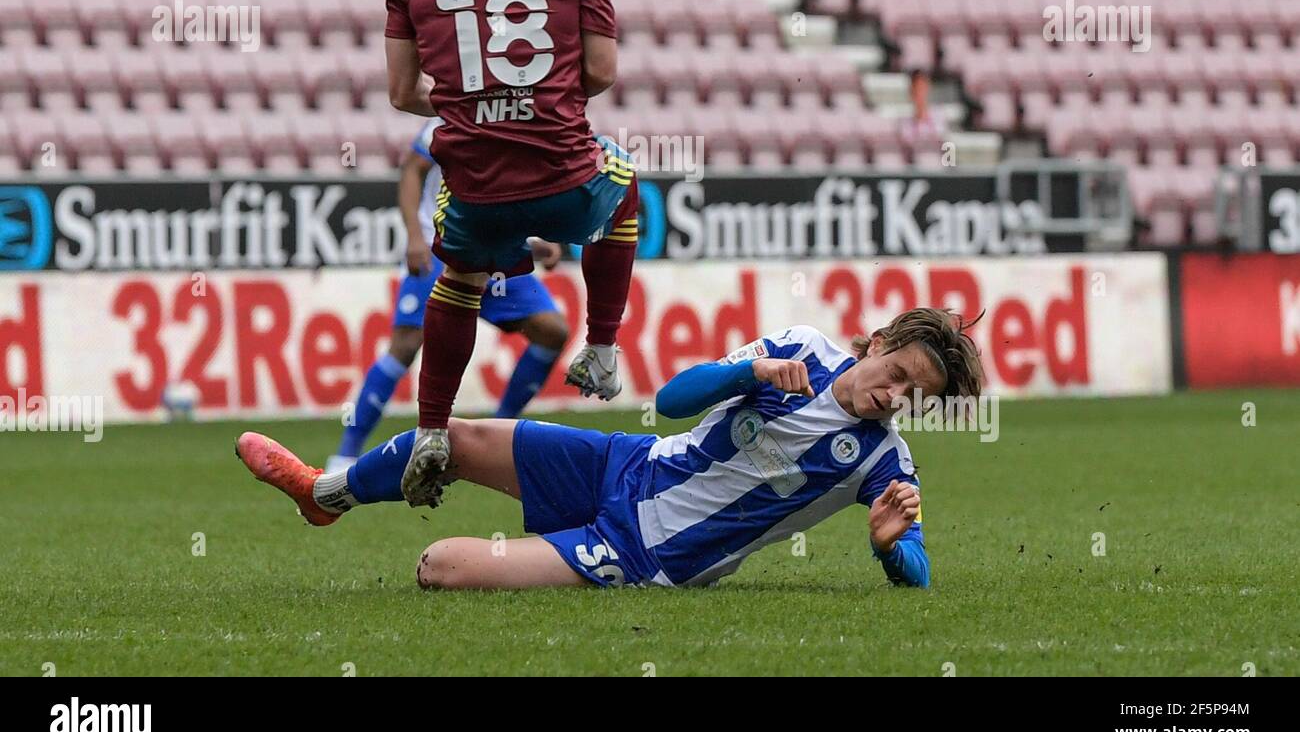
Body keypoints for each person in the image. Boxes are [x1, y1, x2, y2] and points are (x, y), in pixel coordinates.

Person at [236, 310, 985, 590]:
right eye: (897, 375)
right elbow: (673, 401)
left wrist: (893, 550)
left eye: (913, 396)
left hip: (643, 551)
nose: (894, 397)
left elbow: (916, 566)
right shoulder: (800, 348)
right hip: (624, 464)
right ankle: (322, 494)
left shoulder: (883, 463)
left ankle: (552, 554)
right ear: (879, 342)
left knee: (439, 568)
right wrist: (749, 372)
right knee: (455, 437)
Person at [384, 0, 638, 505]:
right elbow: (603, 73)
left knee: (460, 279)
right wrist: (535, 96)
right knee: (626, 181)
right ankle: (603, 348)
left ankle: (433, 430)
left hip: (477, 188)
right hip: (564, 175)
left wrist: (477, 99)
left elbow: (402, 92)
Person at [325, 119, 570, 473]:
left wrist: (540, 236)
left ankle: (498, 434)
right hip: (442, 250)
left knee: (553, 331)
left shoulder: (527, 122)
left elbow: (525, 193)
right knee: (406, 344)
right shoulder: (453, 115)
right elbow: (412, 171)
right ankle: (346, 453)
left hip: (499, 255)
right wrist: (414, 237)